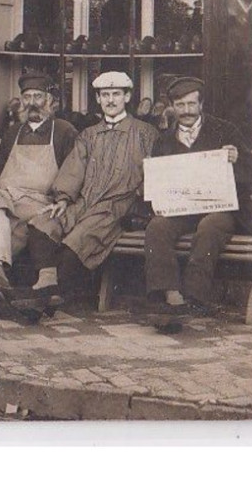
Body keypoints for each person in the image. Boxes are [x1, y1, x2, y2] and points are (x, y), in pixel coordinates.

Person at [14, 71, 159, 315]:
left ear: (127, 97)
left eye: (116, 94)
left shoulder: (145, 133)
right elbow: (74, 170)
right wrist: (62, 199)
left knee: (79, 238)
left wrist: (142, 201)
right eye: (105, 95)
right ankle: (46, 286)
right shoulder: (89, 135)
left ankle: (44, 298)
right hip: (84, 200)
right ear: (98, 99)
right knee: (44, 222)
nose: (110, 100)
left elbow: (155, 171)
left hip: (118, 204)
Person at [0, 72, 79, 322]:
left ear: (50, 101)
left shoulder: (64, 131)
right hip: (10, 201)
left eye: (38, 96)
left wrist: (62, 199)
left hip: (42, 205)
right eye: (27, 97)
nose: (32, 103)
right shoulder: (13, 132)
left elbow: (73, 172)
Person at [144, 76, 252, 321]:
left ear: (201, 104)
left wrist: (238, 159)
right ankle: (171, 294)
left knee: (209, 226)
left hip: (221, 209)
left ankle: (196, 297)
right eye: (180, 105)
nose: (186, 111)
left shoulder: (225, 131)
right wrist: (160, 199)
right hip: (182, 210)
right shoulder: (163, 141)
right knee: (157, 226)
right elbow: (157, 183)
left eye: (191, 104)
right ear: (172, 106)